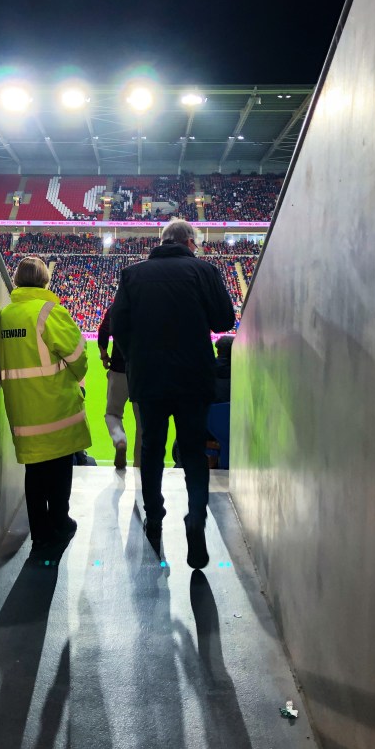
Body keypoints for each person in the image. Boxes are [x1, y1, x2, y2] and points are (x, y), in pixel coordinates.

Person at [111, 219, 235, 568]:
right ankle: (195, 517)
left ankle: (154, 517)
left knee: (152, 448)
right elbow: (224, 320)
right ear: (190, 242)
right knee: (193, 451)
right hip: (194, 377)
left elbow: (119, 325)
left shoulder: (132, 275)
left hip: (149, 379)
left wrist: (136, 358)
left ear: (162, 241)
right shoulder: (204, 270)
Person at [0, 256, 91, 565]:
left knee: (35, 473)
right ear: (44, 281)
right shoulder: (50, 311)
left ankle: (40, 535)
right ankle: (61, 524)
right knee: (61, 468)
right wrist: (77, 378)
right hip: (55, 406)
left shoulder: (7, 315)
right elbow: (77, 354)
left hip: (22, 410)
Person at [98, 303, 140, 470]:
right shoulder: (152, 303)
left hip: (118, 369)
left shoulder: (116, 308)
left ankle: (119, 440)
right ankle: (139, 466)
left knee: (113, 414)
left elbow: (103, 332)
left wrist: (104, 355)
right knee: (143, 423)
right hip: (143, 373)